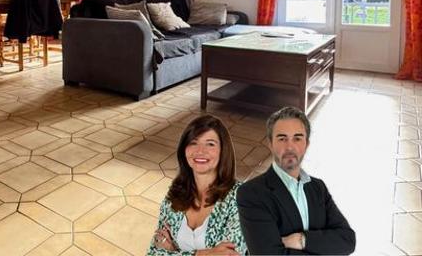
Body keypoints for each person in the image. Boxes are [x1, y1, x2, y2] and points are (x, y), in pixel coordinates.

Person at [237, 106, 355, 255]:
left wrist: (302, 240)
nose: (290, 147)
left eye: (297, 138)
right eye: (282, 139)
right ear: (270, 144)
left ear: (307, 144)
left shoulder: (318, 188)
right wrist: (325, 247)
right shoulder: (251, 193)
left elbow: (347, 240)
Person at [148, 114, 246, 256]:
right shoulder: (175, 194)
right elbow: (154, 251)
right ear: (184, 149)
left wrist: (172, 253)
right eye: (193, 143)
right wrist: (202, 254)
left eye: (210, 144)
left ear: (223, 151)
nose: (200, 151)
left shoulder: (242, 197)